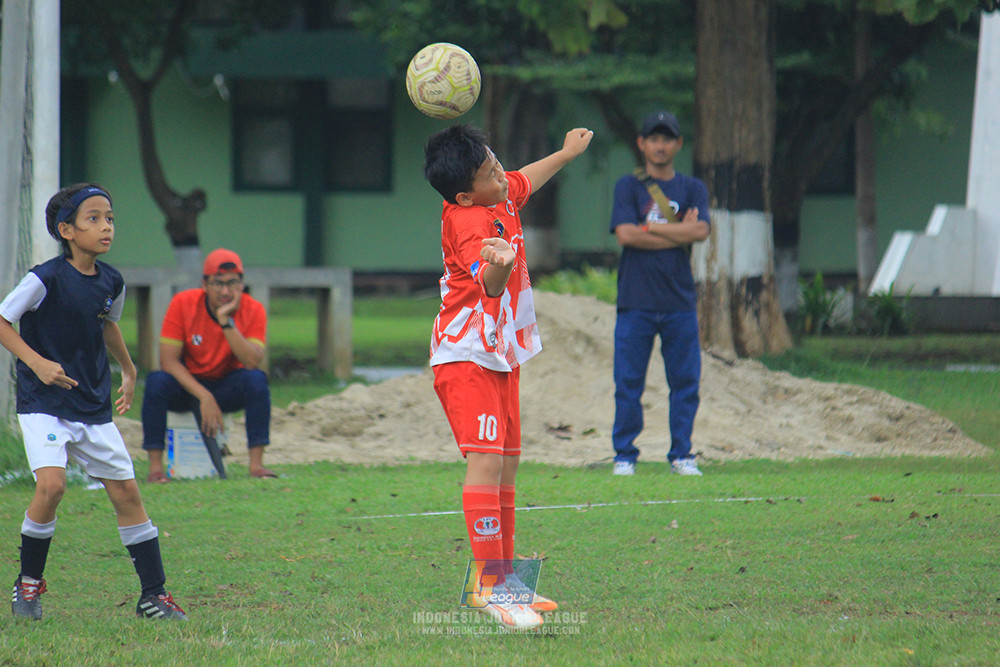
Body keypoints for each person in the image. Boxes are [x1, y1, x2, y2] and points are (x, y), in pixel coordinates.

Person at [423, 123, 594, 629]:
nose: (500, 171)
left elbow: (524, 179)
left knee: (508, 467)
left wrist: (564, 153)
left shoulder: (497, 190)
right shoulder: (469, 223)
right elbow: (490, 287)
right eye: (487, 171)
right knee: (486, 465)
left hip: (499, 352)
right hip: (466, 352)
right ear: (463, 193)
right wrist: (500, 262)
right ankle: (491, 587)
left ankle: (504, 580)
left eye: (495, 160)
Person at [0, 183, 186, 621]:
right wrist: (38, 362)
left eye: (110, 218)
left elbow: (106, 325)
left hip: (91, 405)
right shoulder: (43, 278)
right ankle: (28, 585)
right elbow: (4, 320)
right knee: (52, 486)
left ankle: (153, 596)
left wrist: (129, 368)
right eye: (94, 219)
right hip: (43, 400)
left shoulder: (111, 281)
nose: (106, 227)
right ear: (66, 230)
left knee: (126, 492)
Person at [610, 110, 711, 477]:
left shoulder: (693, 188)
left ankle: (682, 454)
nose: (660, 145)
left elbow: (700, 232)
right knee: (628, 383)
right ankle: (625, 455)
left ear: (678, 144)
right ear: (641, 143)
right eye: (653, 138)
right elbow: (625, 235)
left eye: (667, 138)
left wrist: (647, 230)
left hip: (679, 302)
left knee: (685, 382)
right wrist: (676, 233)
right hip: (635, 301)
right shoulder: (628, 186)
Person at [141, 248, 275, 481]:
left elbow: (252, 362)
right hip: (188, 385)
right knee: (156, 382)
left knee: (257, 381)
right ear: (204, 284)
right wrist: (204, 396)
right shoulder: (183, 303)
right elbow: (168, 361)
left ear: (242, 284)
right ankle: (155, 468)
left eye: (232, 283)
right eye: (218, 283)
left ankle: (256, 465)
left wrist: (226, 321)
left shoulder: (254, 309)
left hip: (227, 383)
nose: (225, 291)